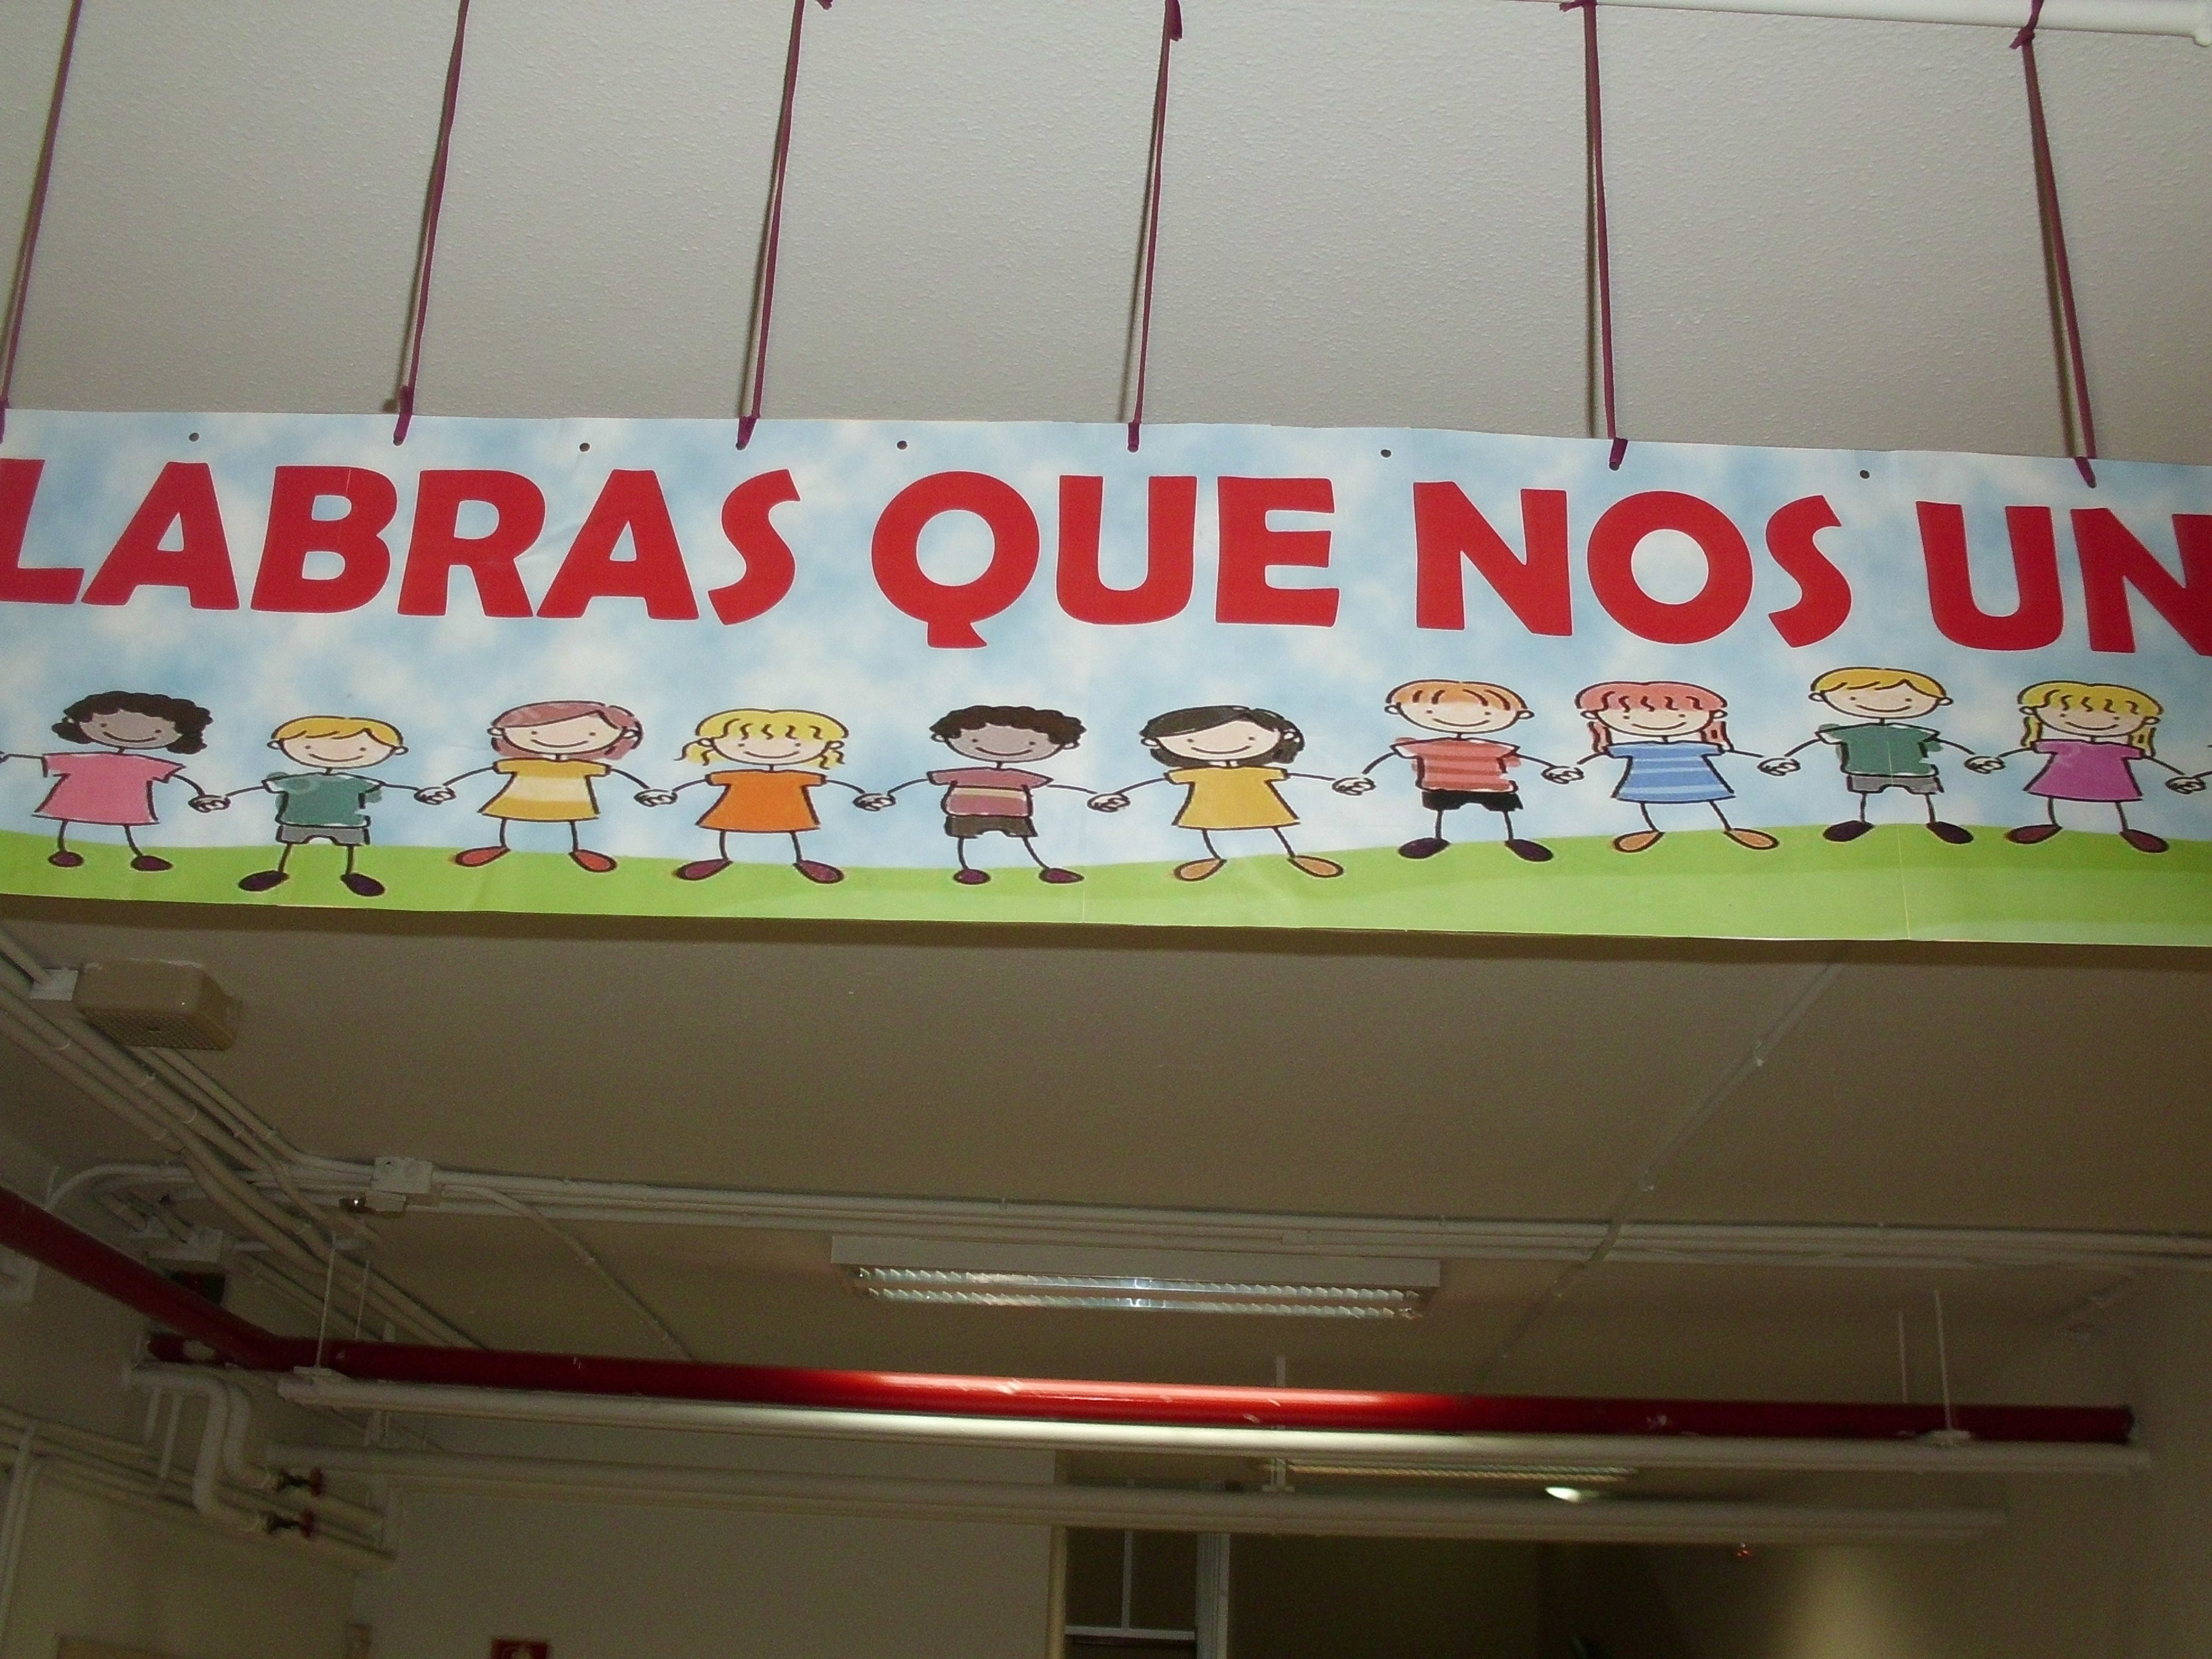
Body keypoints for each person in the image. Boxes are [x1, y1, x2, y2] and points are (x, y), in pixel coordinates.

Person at [1087, 705, 1355, 882]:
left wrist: (1338, 783)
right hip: (1210, 812)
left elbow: (1298, 777)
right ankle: (1214, 859)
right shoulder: (1198, 773)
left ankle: (1295, 857)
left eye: (1249, 738)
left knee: (1272, 834)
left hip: (1261, 809)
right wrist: (1117, 797)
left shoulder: (1256, 771)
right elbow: (1156, 783)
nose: (1223, 745)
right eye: (1191, 740)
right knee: (1212, 835)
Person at [1335, 680, 1581, 863]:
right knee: (1441, 813)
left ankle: (1514, 840)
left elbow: (1522, 760)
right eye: (1431, 711)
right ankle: (1435, 839)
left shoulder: (1493, 747)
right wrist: (1363, 777)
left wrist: (1553, 769)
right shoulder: (1427, 746)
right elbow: (1391, 757)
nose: (1461, 717)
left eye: (1487, 713)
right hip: (1442, 785)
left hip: (1493, 787)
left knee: (1501, 813)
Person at [415, 700, 669, 872]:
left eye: (591, 734)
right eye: (534, 733)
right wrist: (446, 788)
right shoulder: (524, 763)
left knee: (569, 829)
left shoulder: (580, 766)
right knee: (512, 826)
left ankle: (578, 851)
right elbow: (484, 772)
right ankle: (500, 847)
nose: (563, 740)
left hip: (570, 805)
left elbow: (618, 776)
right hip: (518, 802)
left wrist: (647, 791)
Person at [855, 705, 1090, 885]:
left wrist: (1094, 797)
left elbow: (1054, 787)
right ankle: (968, 869)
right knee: (966, 841)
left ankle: (1046, 869)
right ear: (945, 737)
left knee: (1023, 841)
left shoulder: (1020, 776)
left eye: (1031, 742)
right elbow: (924, 781)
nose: (1003, 747)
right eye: (975, 740)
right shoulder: (965, 774)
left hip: (1013, 814)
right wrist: (888, 795)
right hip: (966, 813)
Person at [1967, 680, 2203, 854]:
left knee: (2112, 808)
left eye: (2116, 716)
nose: (2093, 719)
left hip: (2109, 784)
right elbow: (2027, 750)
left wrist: (2182, 778)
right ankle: (2052, 825)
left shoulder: (2116, 749)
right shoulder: (2064, 745)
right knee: (2058, 803)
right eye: (2066, 711)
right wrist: (1994, 760)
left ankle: (2125, 831)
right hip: (2063, 781)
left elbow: (2151, 760)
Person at [1757, 667, 1987, 844]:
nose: (1886, 704)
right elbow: (1818, 742)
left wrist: (1973, 758)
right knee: (1865, 797)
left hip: (1915, 771)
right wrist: (1786, 759)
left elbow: (1943, 746)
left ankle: (1934, 823)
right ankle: (1861, 822)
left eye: (1908, 700)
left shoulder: (1913, 732)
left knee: (1923, 796)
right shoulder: (1854, 732)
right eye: (1854, 698)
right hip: (1865, 770)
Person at [3, 691, 224, 871]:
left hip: (125, 804)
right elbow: (44, 760)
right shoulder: (86, 760)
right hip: (76, 797)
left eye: (158, 731)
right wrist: (9, 756)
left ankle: (138, 856)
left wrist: (202, 795)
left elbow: (177, 776)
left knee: (126, 829)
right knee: (68, 823)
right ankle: (63, 851)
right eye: (104, 726)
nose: (132, 733)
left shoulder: (143, 763)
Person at [656, 708, 863, 885]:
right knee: (731, 839)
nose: (773, 748)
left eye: (797, 744)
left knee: (790, 841)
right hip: (737, 815)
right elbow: (704, 782)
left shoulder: (795, 777)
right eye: (742, 742)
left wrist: (863, 796)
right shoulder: (739, 775)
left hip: (787, 817)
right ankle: (721, 859)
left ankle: (803, 862)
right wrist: (671, 794)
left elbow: (834, 784)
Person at [223, 716, 420, 897]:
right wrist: (224, 798)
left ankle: (352, 874)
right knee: (292, 846)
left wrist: (422, 793)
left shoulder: (356, 782)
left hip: (346, 823)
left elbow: (381, 794)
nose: (336, 754)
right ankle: (280, 872)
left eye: (362, 749)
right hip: (298, 821)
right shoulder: (299, 781)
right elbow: (265, 787)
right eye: (308, 747)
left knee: (349, 848)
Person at [1573, 681, 1778, 853]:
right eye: (1627, 716)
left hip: (1699, 786)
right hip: (1649, 788)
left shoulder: (1693, 747)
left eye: (1682, 715)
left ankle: (1731, 829)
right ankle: (1652, 830)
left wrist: (1766, 760)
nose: (1655, 720)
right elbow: (1602, 754)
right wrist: (1596, 741)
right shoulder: (1637, 748)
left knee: (1711, 808)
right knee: (1651, 809)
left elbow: (1728, 751)